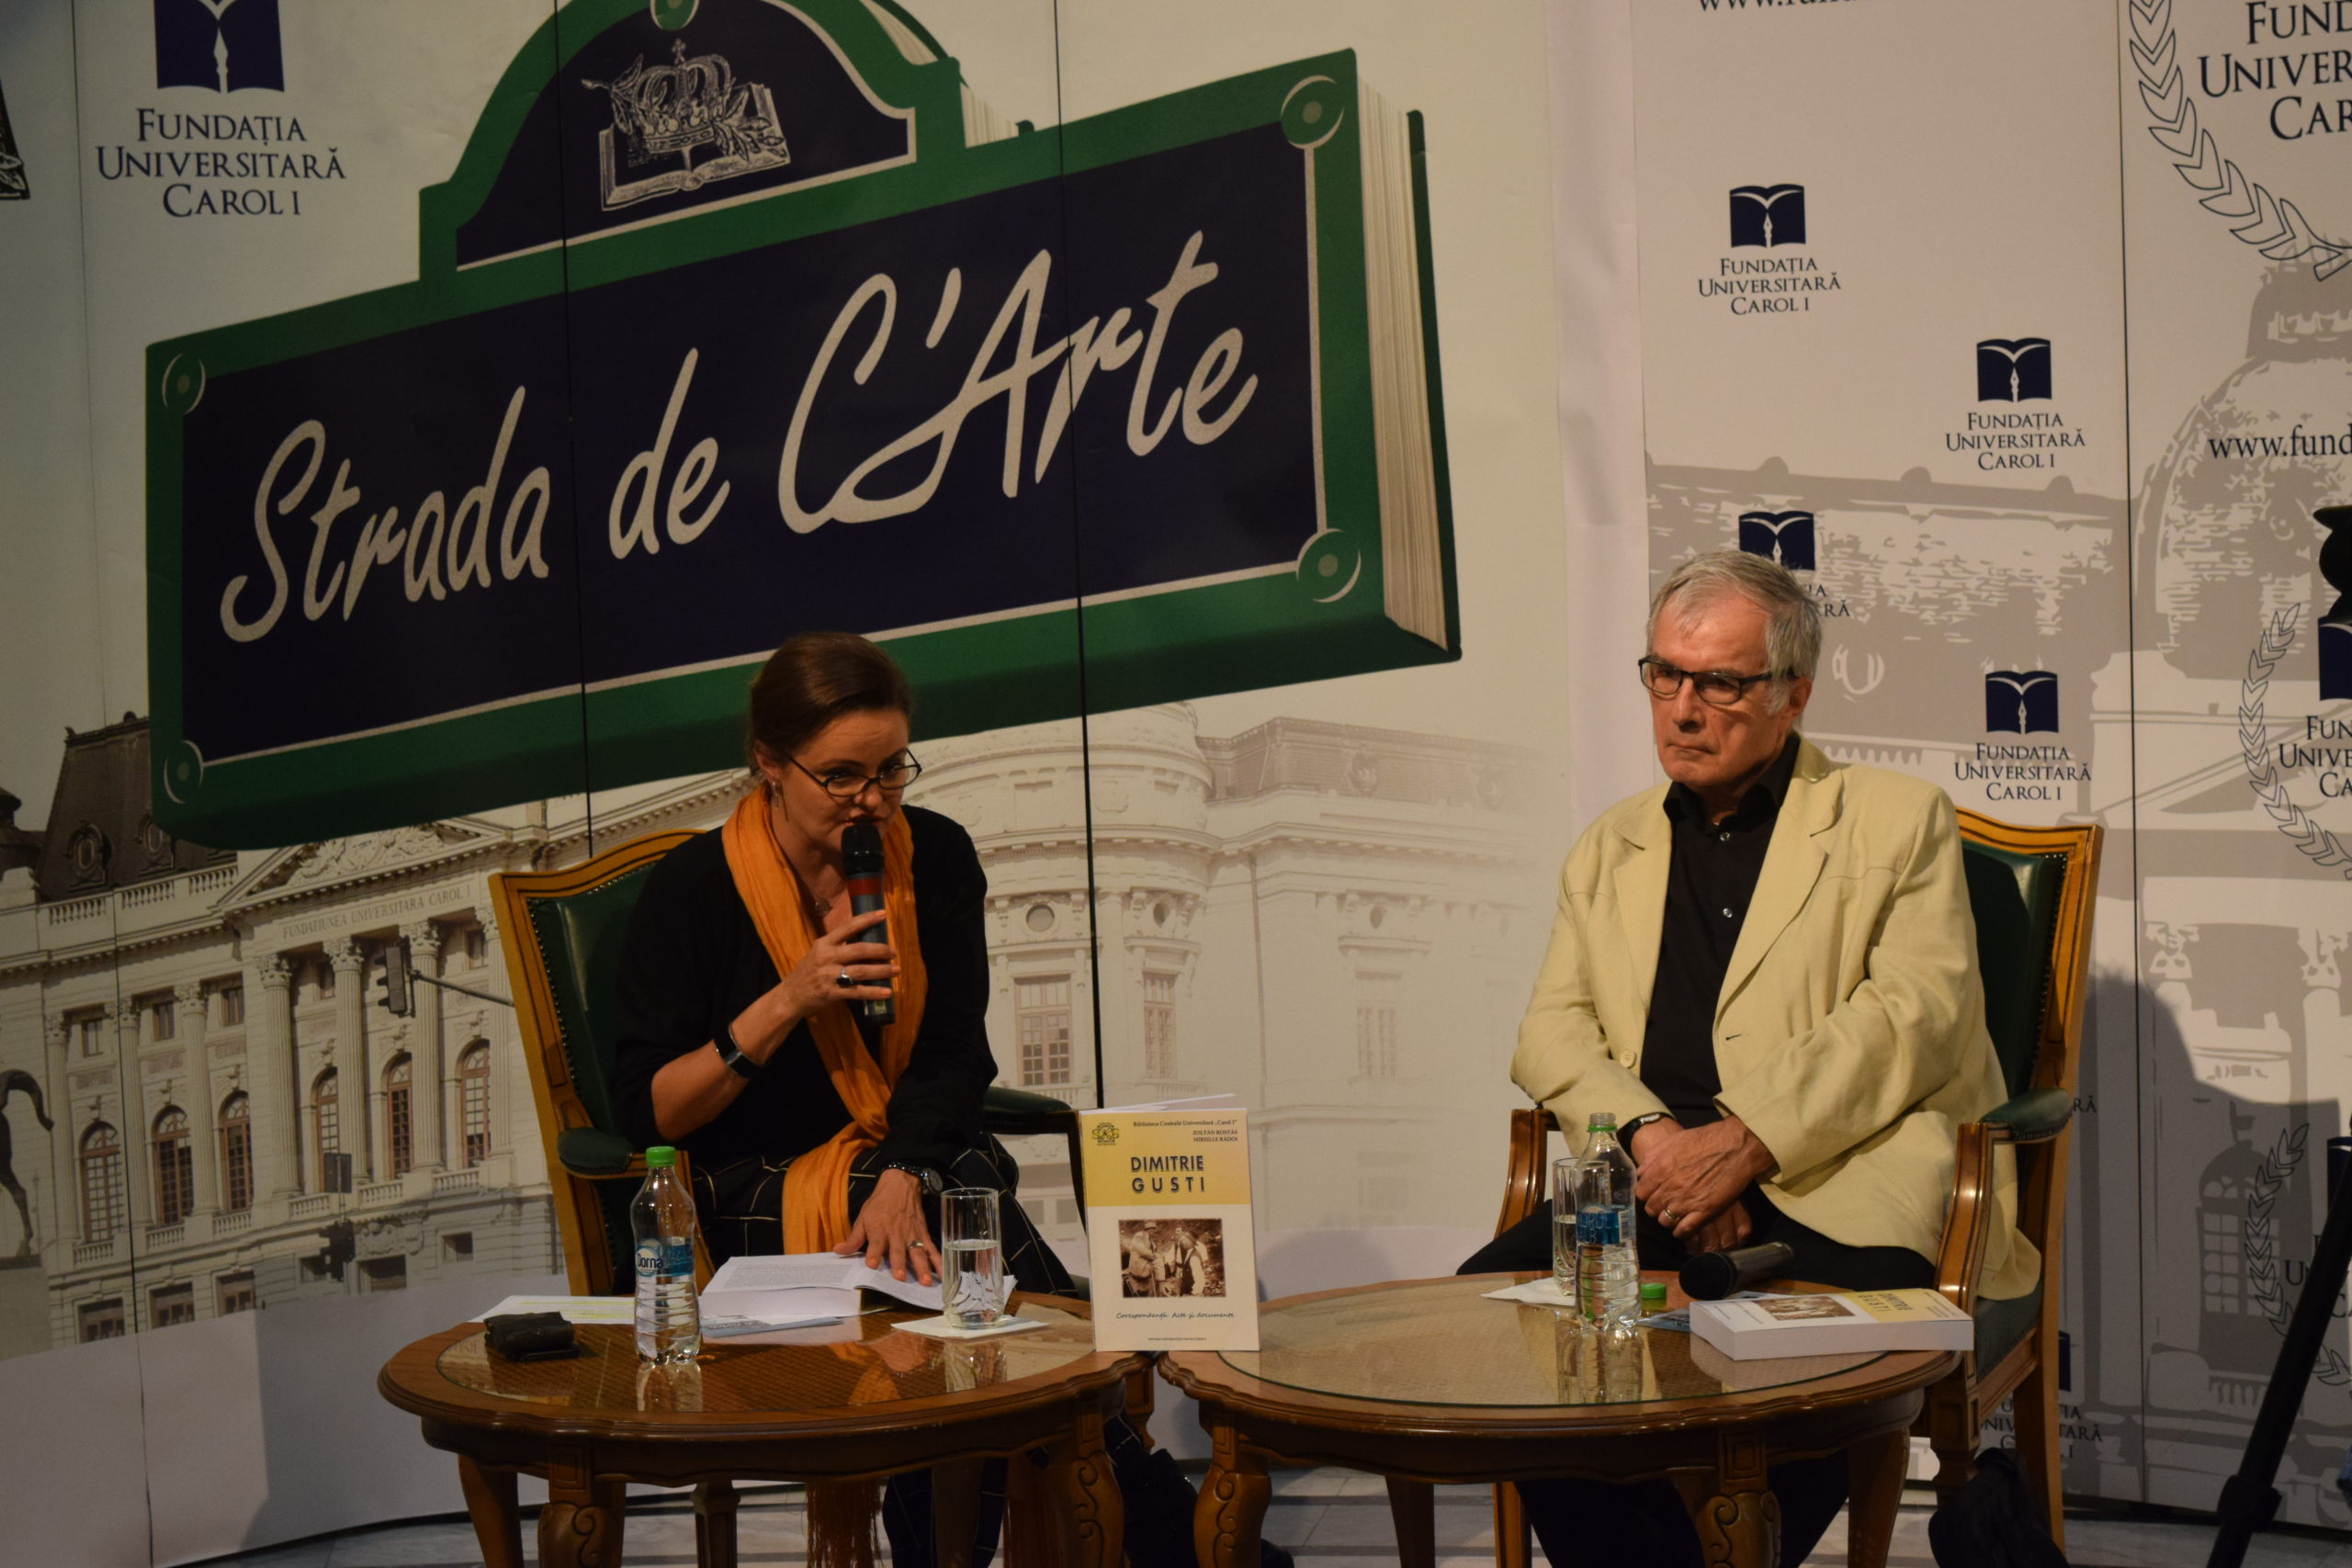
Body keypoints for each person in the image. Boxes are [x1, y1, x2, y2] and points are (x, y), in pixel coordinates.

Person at [613, 632, 1277, 1568]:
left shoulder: (935, 855)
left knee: (958, 1241)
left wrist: (901, 1170)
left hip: (912, 1165)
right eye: (843, 776)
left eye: (892, 768)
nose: (874, 800)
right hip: (753, 1187)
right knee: (972, 1236)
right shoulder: (691, 889)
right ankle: (1179, 1535)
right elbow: (654, 1111)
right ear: (768, 763)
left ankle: (964, 1549)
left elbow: (956, 1048)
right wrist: (790, 998)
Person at [1461, 551, 2035, 1566]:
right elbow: (1552, 1031)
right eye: (1665, 674)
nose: (1683, 709)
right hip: (1651, 1188)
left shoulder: (1896, 817)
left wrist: (1745, 1143)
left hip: (1843, 1187)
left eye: (1720, 683)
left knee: (1814, 1383)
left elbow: (1917, 1013)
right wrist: (1659, 1146)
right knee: (1486, 1325)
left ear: (1792, 694)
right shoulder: (1608, 845)